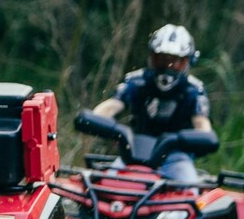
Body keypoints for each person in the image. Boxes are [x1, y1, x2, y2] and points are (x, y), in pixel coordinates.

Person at [91, 23, 213, 183]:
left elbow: (201, 123)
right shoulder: (138, 81)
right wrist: (95, 119)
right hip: (133, 156)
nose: (168, 67)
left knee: (190, 193)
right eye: (161, 60)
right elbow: (112, 105)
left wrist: (202, 137)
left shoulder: (193, 90)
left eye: (176, 62)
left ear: (188, 62)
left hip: (176, 159)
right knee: (103, 187)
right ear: (152, 58)